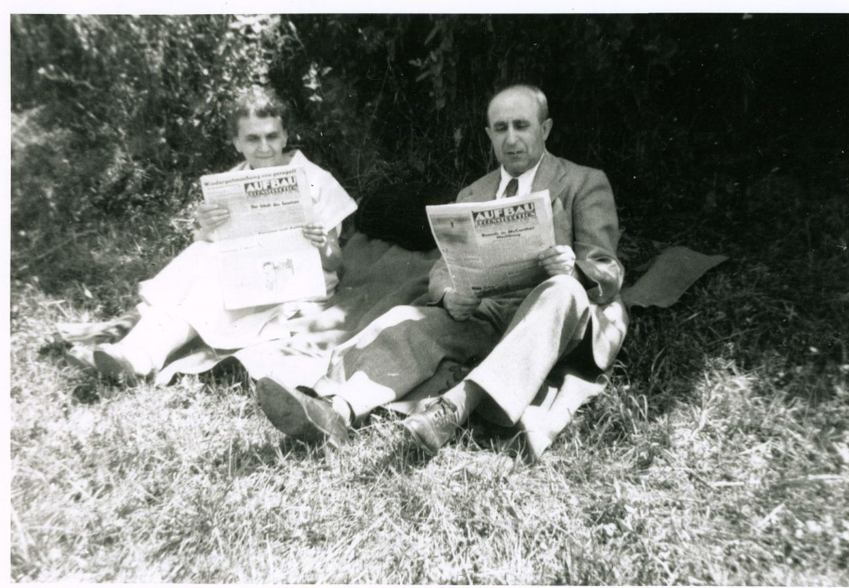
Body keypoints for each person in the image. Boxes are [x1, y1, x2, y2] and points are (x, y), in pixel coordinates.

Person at [256, 84, 628, 453]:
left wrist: (573, 269)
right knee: (405, 321)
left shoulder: (583, 182)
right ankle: (334, 409)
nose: (511, 139)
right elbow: (442, 267)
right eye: (501, 129)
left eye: (521, 126)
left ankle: (454, 408)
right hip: (486, 316)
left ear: (544, 129)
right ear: (489, 135)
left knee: (563, 289)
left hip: (555, 319)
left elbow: (607, 268)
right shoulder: (473, 194)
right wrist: (450, 295)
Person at [92, 87, 357, 384]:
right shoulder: (234, 180)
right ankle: (134, 351)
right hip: (250, 275)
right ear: (237, 143)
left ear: (285, 137)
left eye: (271, 136)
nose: (265, 147)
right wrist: (206, 228)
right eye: (252, 138)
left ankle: (142, 354)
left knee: (213, 277)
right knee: (202, 255)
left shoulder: (316, 181)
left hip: (300, 284)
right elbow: (211, 248)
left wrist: (321, 244)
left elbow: (335, 263)